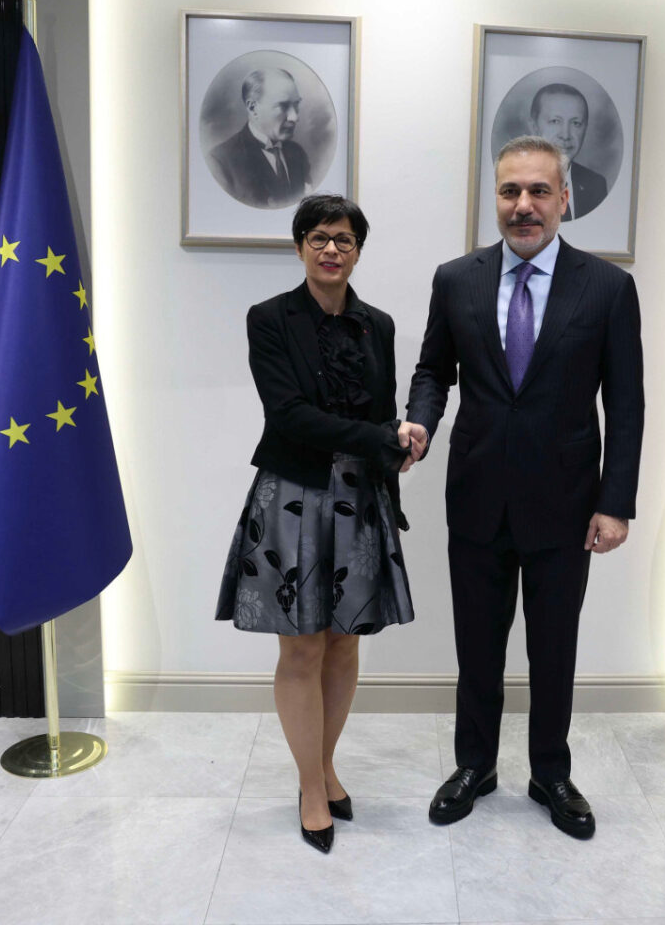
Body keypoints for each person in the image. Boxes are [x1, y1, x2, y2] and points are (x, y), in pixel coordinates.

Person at [400, 136, 643, 839]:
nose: (524, 205)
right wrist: (420, 423)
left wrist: (616, 502)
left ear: (565, 198)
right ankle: (474, 766)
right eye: (510, 191)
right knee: (477, 647)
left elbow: (626, 404)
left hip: (567, 505)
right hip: (477, 495)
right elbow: (432, 371)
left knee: (553, 649)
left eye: (539, 191)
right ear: (496, 199)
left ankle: (550, 773)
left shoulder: (607, 288)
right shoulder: (457, 280)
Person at [217, 194, 418, 853]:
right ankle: (310, 786)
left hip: (360, 499)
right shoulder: (269, 318)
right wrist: (380, 437)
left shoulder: (379, 325)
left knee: (344, 641)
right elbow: (289, 415)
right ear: (300, 245)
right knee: (301, 646)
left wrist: (397, 454)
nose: (331, 249)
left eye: (344, 239)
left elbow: (384, 412)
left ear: (358, 250)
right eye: (318, 237)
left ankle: (325, 765)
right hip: (294, 496)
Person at [207, 67, 312, 209]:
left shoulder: (298, 153)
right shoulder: (220, 161)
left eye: (296, 104)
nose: (294, 117)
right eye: (283, 106)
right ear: (253, 108)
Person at [530, 83, 608, 220]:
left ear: (585, 129)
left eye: (576, 123)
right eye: (555, 121)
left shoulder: (596, 185)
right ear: (534, 128)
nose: (566, 135)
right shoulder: (513, 182)